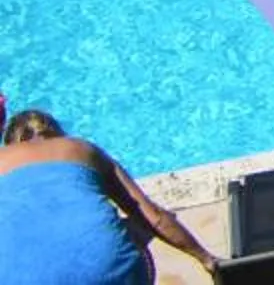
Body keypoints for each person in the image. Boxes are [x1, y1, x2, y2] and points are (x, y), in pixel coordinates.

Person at [0, 95, 220, 283]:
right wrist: (207, 259)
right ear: (57, 133)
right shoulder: (81, 149)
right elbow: (155, 218)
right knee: (128, 228)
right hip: (107, 270)